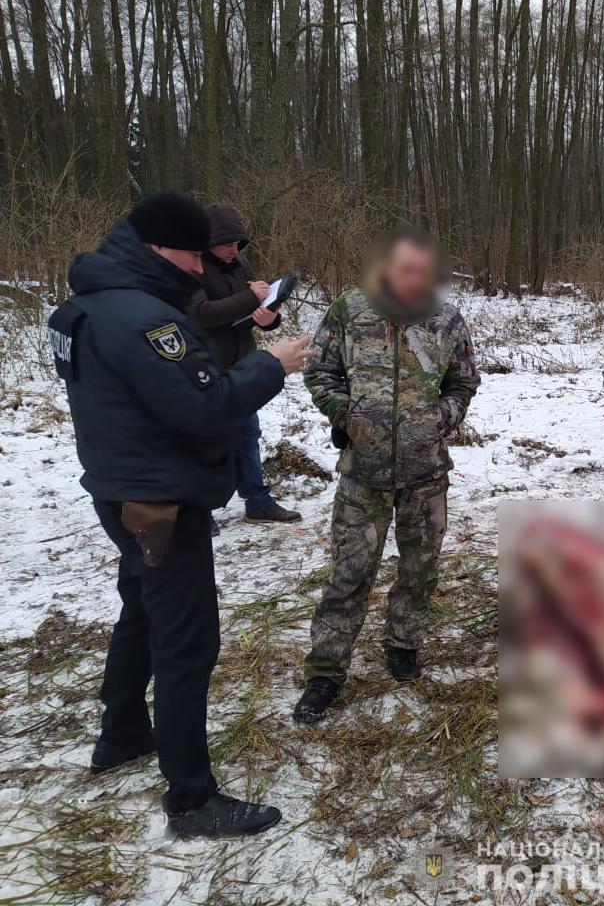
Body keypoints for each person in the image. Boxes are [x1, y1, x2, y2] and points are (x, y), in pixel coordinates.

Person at [48, 191, 313, 836]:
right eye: (193, 256)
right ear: (157, 247)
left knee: (142, 609)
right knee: (187, 641)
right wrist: (270, 365)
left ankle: (121, 734)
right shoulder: (144, 320)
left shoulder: (82, 307)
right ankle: (192, 800)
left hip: (120, 488)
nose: (200, 269)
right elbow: (203, 404)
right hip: (160, 499)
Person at [293, 225, 481, 724]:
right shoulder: (350, 310)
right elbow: (320, 370)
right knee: (349, 574)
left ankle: (403, 645)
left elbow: (464, 381)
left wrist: (441, 418)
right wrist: (346, 414)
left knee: (419, 570)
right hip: (364, 473)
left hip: (426, 473)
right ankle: (325, 672)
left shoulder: (446, 319)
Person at [188, 202, 301, 524]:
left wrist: (269, 318)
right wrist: (250, 298)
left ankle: (258, 500)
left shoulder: (240, 264)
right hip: (205, 367)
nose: (233, 250)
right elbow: (200, 314)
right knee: (206, 440)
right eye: (227, 244)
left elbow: (258, 311)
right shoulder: (192, 268)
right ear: (209, 243)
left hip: (243, 363)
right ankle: (199, 510)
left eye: (237, 244)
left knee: (248, 433)